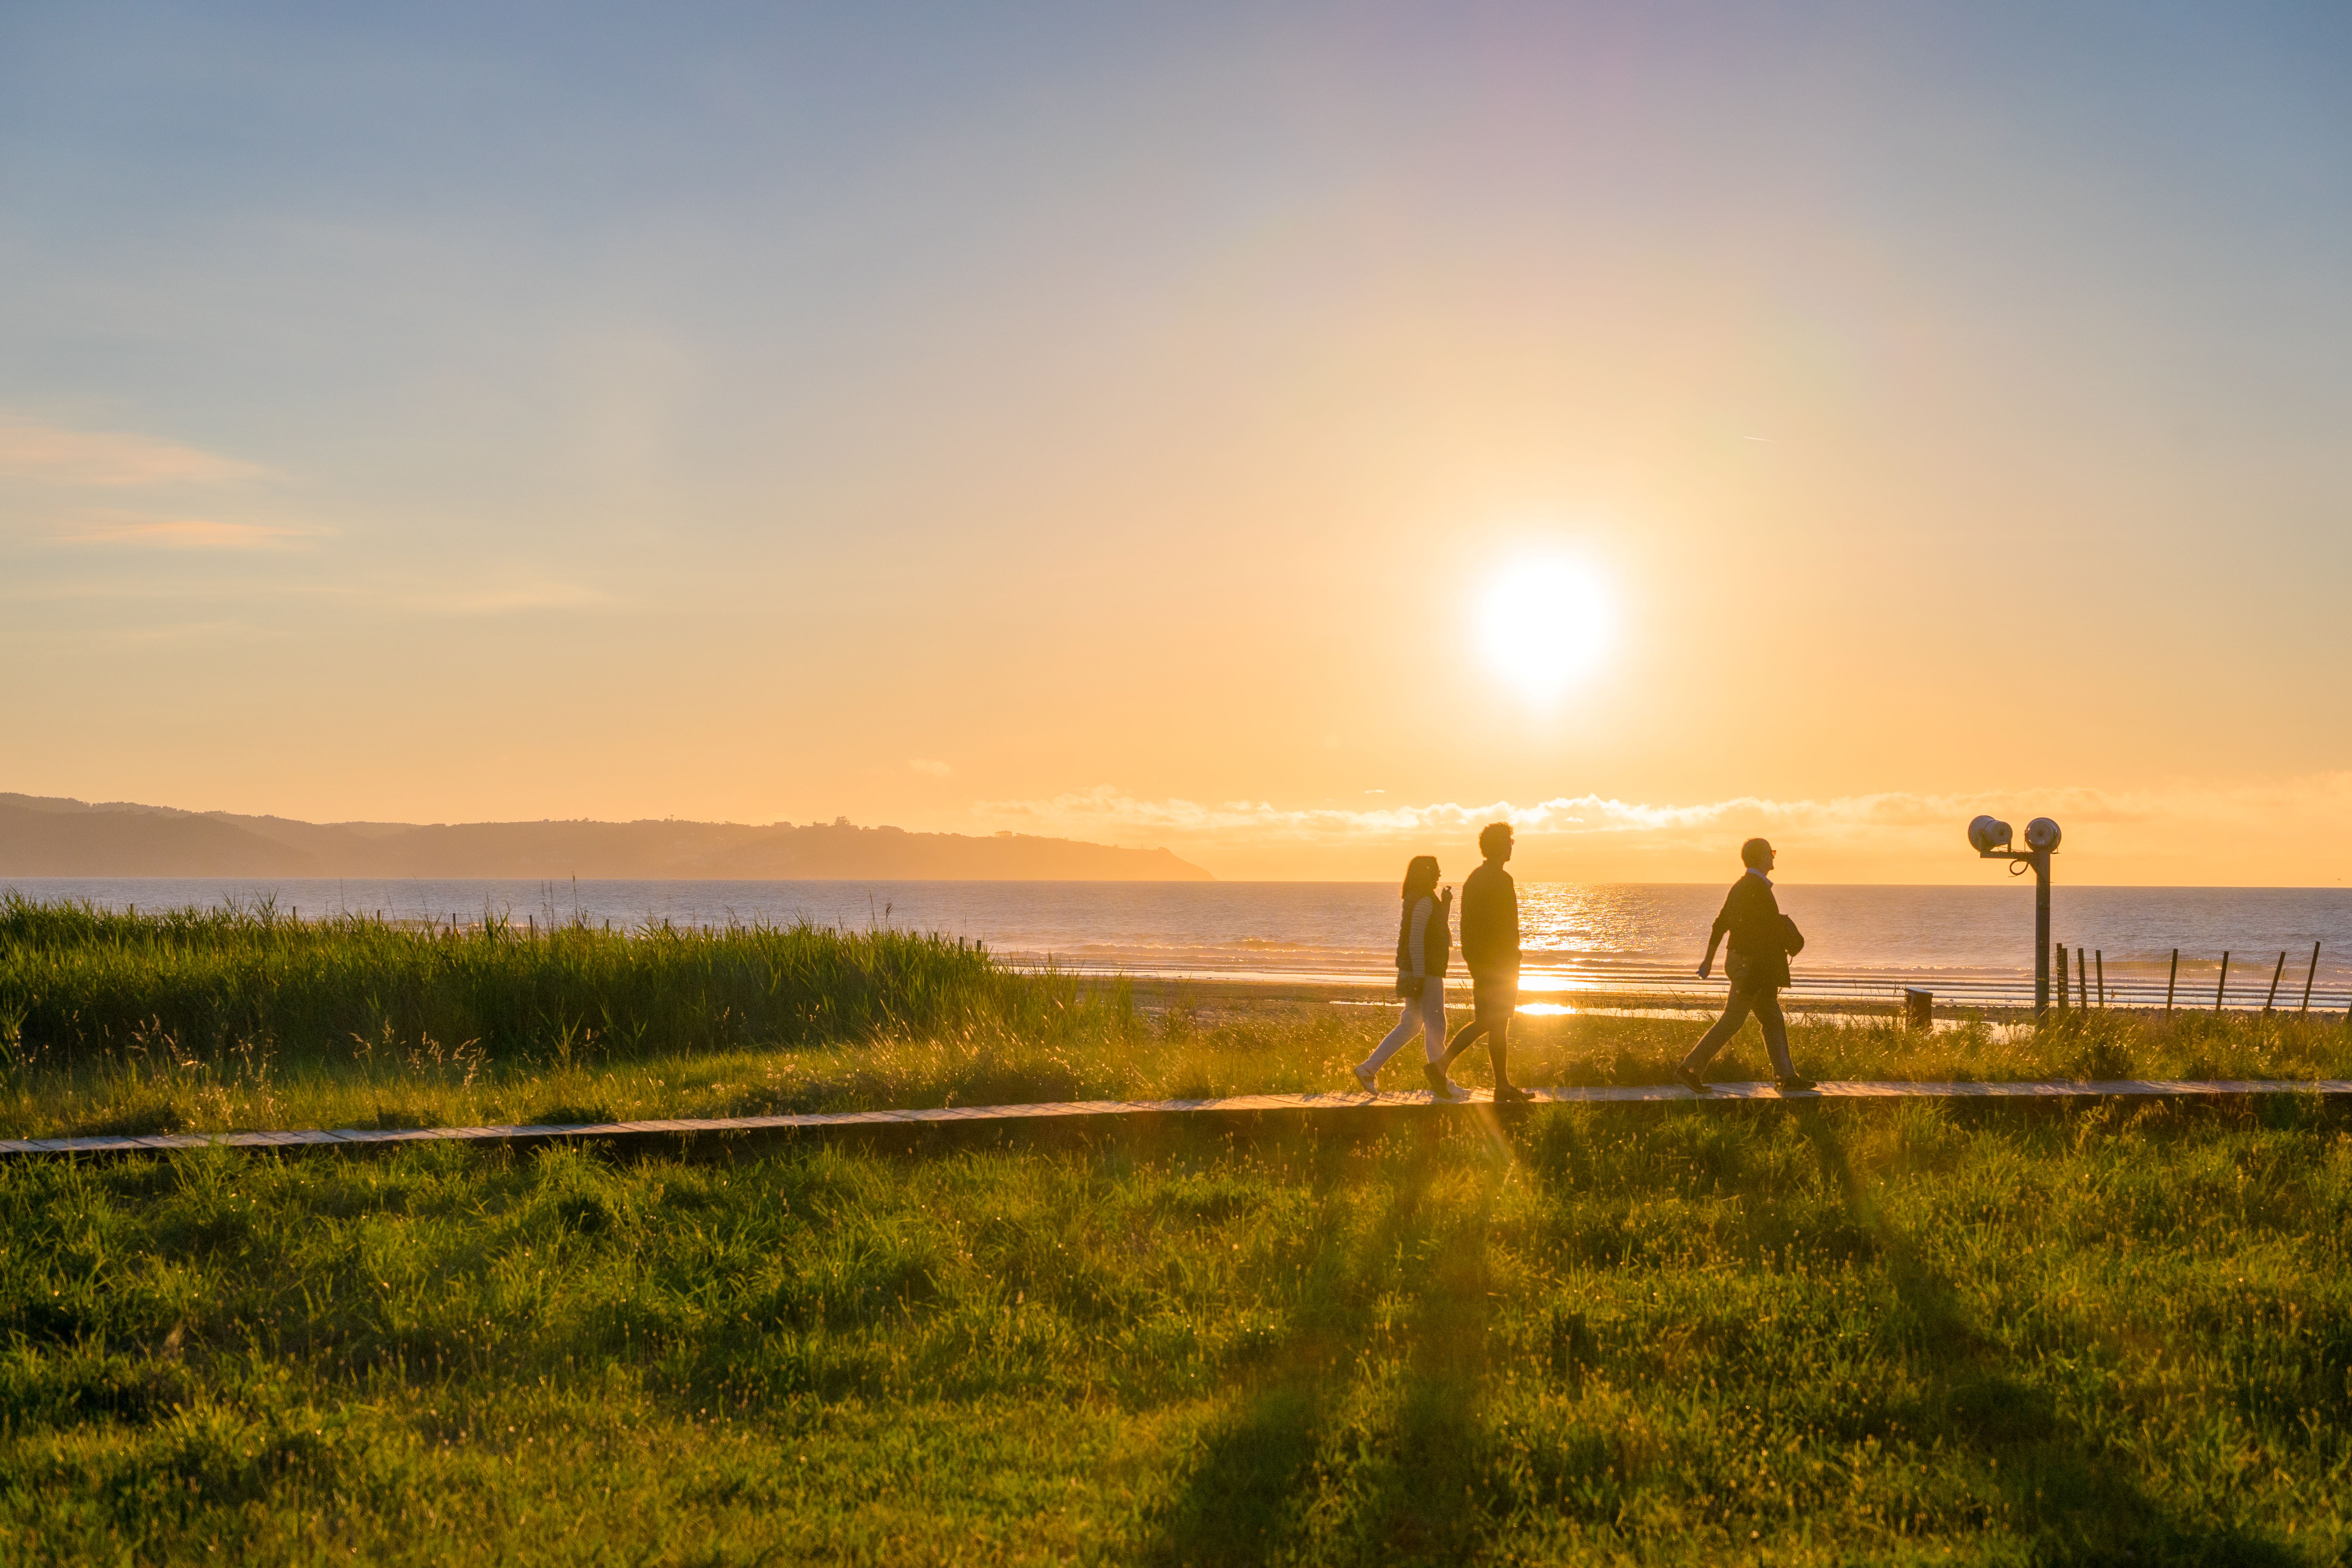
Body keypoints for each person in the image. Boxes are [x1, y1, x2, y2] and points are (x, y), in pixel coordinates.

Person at [1675, 837, 1816, 1093]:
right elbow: (1763, 934)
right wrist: (1766, 965)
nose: (1773, 857)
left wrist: (1709, 961)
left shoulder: (1743, 886)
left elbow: (1721, 924)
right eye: (1771, 852)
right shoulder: (1756, 888)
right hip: (1750, 965)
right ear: (1762, 857)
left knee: (1772, 1018)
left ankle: (1786, 1076)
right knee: (1733, 1020)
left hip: (1743, 961)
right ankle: (1689, 1068)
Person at [1434, 821, 1531, 1102]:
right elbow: (1504, 926)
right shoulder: (1499, 879)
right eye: (1509, 842)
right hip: (1498, 965)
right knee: (1490, 1021)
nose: (1511, 847)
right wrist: (1509, 957)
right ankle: (1440, 1066)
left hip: (1488, 963)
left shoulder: (1477, 878)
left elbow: (1468, 927)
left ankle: (1502, 1086)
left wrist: (1474, 960)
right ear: (1500, 846)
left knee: (1497, 1024)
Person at [1352, 855, 1452, 1094]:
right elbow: (1416, 941)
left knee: (1411, 1025)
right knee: (1436, 1026)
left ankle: (1368, 1069)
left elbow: (1435, 930)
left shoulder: (1420, 899)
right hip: (1425, 972)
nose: (1439, 874)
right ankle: (1442, 1082)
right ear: (1426, 873)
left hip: (1419, 970)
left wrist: (1446, 905)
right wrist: (1419, 976)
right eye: (1436, 870)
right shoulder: (1424, 901)